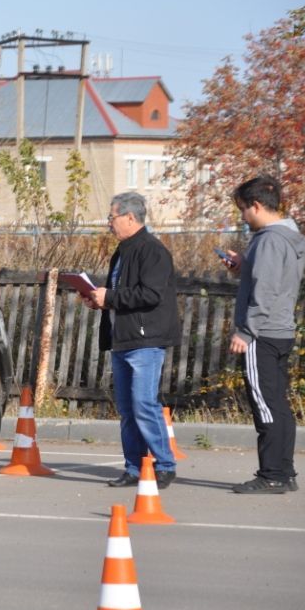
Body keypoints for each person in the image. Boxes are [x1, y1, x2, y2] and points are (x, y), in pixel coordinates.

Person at [86, 192, 181, 489]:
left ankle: (165, 464)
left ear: (130, 217)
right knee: (127, 409)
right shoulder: (123, 250)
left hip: (145, 340)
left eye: (111, 217)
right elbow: (121, 291)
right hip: (122, 338)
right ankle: (134, 466)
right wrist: (99, 300)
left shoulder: (152, 250)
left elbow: (151, 294)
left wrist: (110, 297)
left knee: (143, 404)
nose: (109, 223)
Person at [222, 175, 305, 494]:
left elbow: (267, 289)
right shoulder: (286, 235)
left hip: (263, 333)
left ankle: (272, 474)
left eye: (244, 209)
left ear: (257, 206)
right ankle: (285, 471)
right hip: (280, 329)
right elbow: (273, 277)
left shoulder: (270, 239)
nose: (243, 217)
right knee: (278, 404)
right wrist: (245, 264)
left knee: (265, 405)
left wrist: (246, 331)